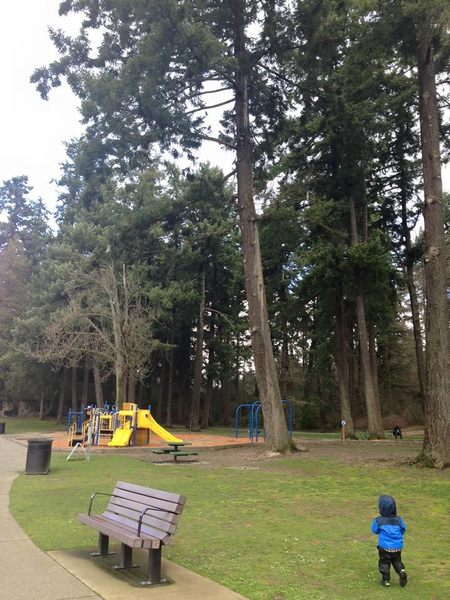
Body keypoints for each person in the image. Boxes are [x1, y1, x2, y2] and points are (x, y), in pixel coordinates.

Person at [371, 495, 407, 587]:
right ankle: (401, 571)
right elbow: (403, 530)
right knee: (397, 560)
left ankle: (386, 580)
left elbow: (375, 530)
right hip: (397, 547)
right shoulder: (399, 520)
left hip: (384, 547)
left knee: (384, 563)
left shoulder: (378, 520)